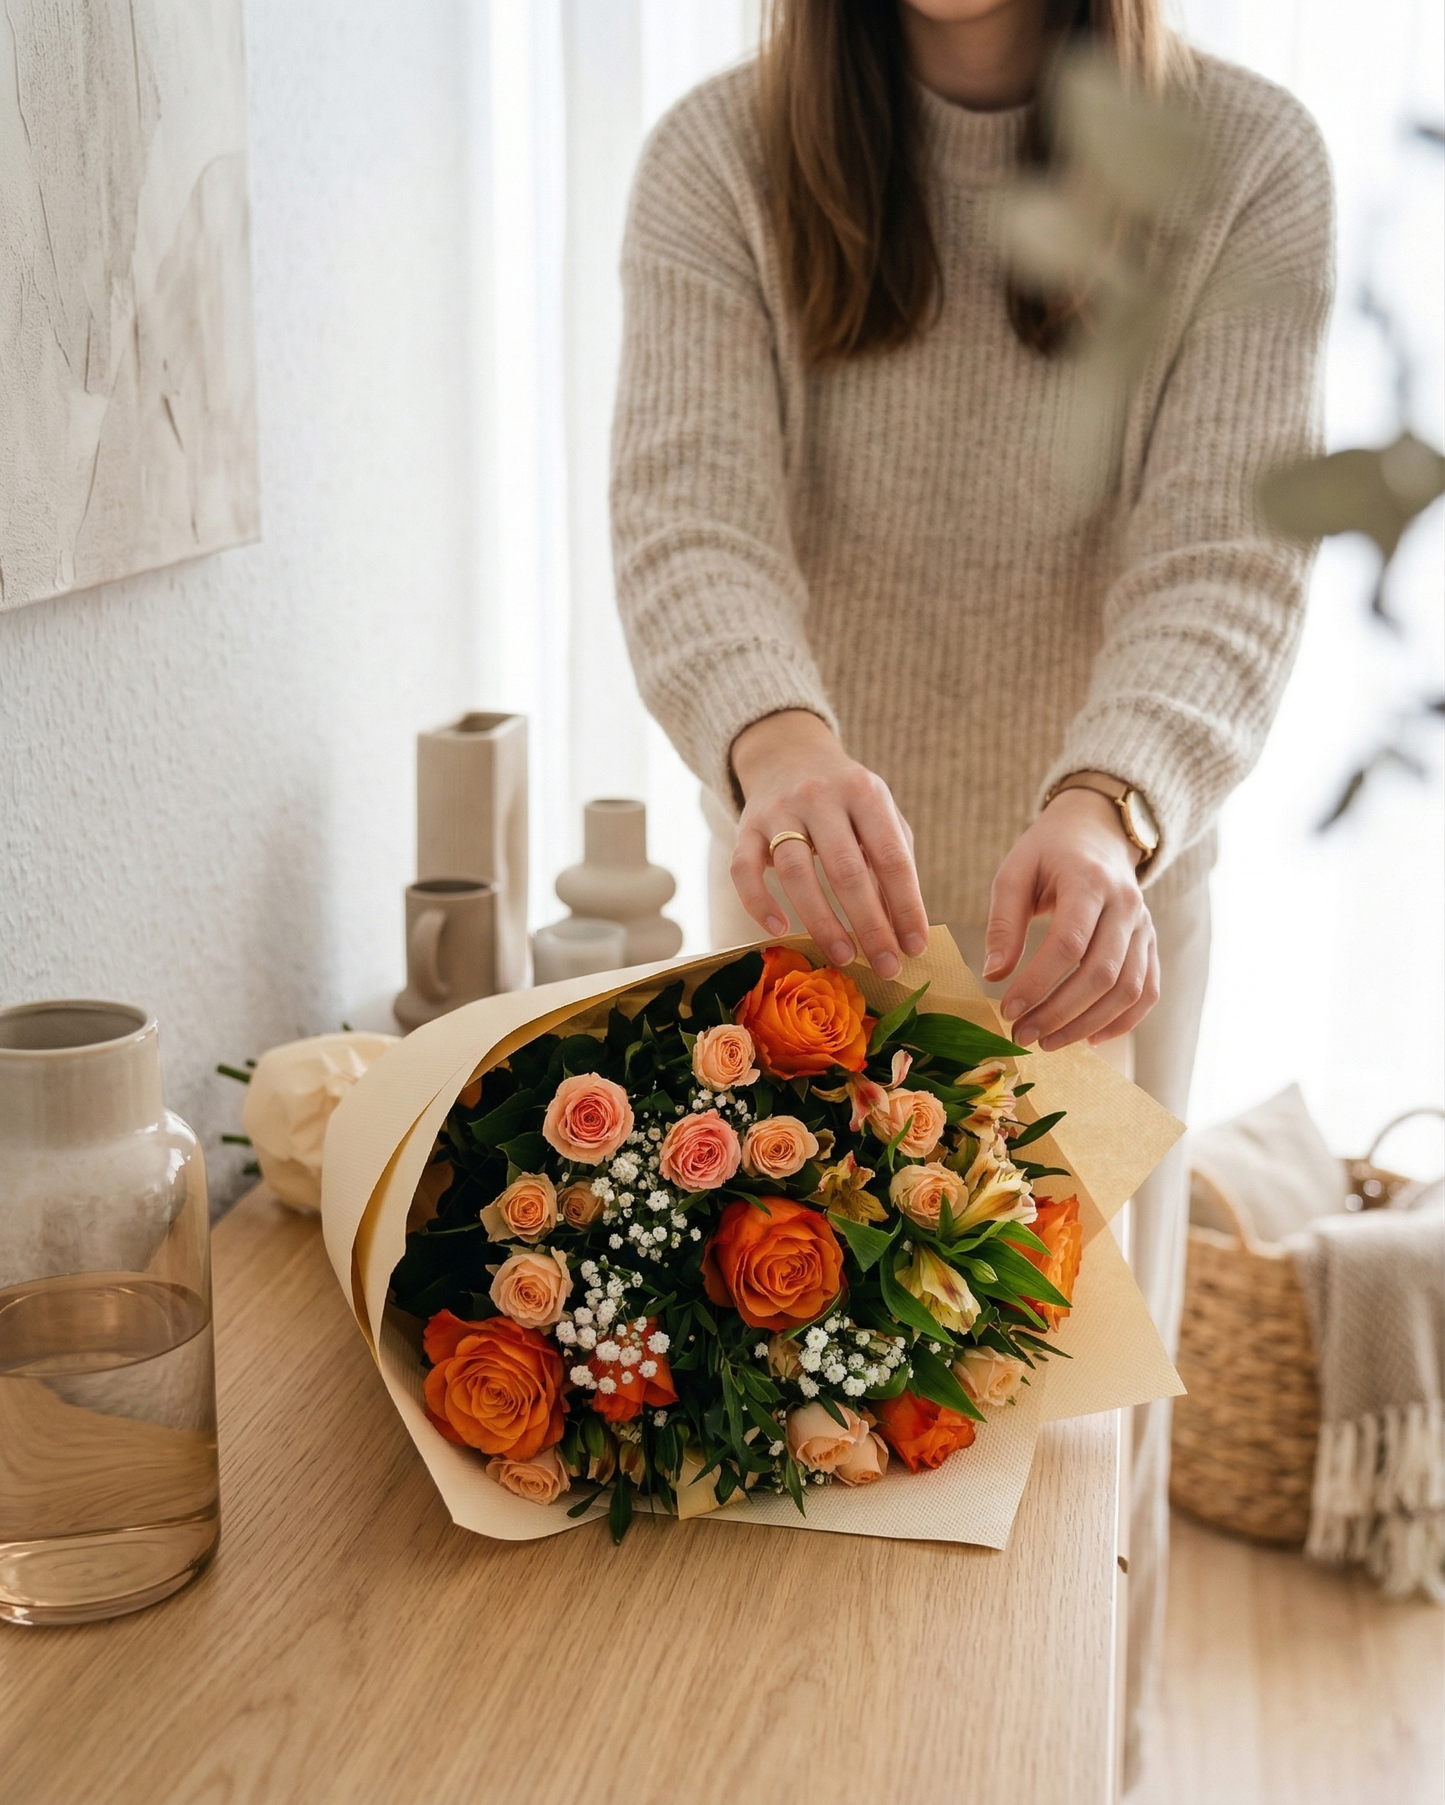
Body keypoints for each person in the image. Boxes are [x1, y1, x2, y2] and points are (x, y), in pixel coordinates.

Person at [610, 0, 1332, 1788]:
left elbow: (1227, 561)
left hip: (1093, 942)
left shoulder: (1249, 161)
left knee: (1073, 1478)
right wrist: (776, 745)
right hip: (801, 919)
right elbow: (690, 521)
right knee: (795, 1445)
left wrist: (1109, 806)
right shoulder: (716, 157)